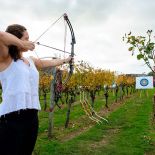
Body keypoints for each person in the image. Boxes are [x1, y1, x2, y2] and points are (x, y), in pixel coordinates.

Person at [0, 24, 72, 155]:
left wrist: (66, 60)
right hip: (11, 118)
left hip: (32, 117)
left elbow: (45, 63)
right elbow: (1, 36)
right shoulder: (4, 59)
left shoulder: (30, 60)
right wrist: (23, 44)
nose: (30, 41)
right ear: (16, 39)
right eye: (26, 38)